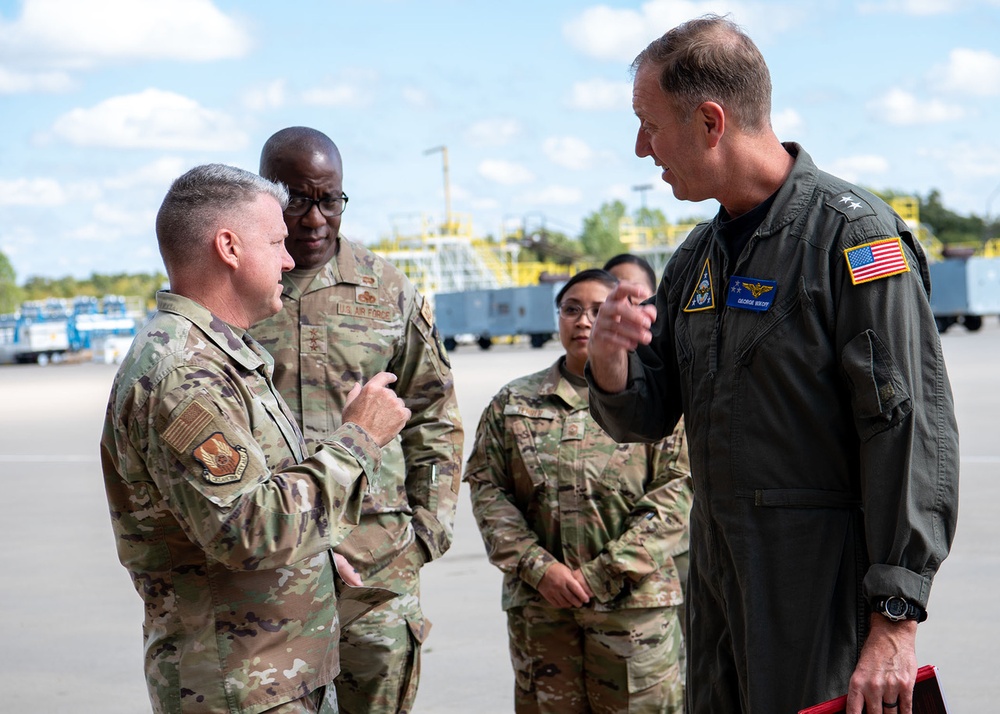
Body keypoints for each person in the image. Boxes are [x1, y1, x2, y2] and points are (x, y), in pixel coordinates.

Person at [586, 15, 959, 714]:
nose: (641, 148)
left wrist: (895, 620)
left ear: (710, 122)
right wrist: (608, 360)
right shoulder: (697, 259)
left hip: (821, 598)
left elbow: (910, 432)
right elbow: (645, 411)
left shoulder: (853, 241)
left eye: (650, 124)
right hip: (720, 591)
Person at [100, 163, 412, 714]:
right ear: (230, 247)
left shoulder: (217, 357)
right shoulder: (184, 374)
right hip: (237, 686)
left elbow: (252, 499)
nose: (289, 260)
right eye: (276, 242)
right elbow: (249, 529)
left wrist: (311, 561)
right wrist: (360, 438)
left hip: (272, 674)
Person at [249, 127, 464, 714]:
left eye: (330, 199)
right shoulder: (238, 290)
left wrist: (425, 534)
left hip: (377, 570)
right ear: (266, 197)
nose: (316, 218)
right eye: (297, 198)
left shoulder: (387, 290)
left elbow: (435, 416)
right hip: (272, 573)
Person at [465, 268, 692, 713]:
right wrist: (538, 567)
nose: (584, 321)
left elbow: (675, 491)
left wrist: (602, 574)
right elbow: (489, 491)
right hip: (542, 612)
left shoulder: (655, 401)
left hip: (632, 616)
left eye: (598, 310)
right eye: (571, 309)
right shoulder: (512, 402)